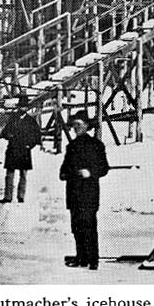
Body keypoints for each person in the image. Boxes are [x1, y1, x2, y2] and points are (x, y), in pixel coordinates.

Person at [59, 111, 109, 270]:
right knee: (76, 227)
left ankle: (93, 259)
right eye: (74, 125)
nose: (76, 128)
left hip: (88, 193)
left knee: (89, 226)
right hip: (74, 193)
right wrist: (65, 174)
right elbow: (64, 169)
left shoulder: (96, 145)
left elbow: (104, 168)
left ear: (87, 126)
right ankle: (81, 257)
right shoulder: (71, 146)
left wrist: (90, 173)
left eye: (79, 125)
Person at [0, 94, 42, 203]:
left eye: (24, 107)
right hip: (13, 149)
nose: (22, 109)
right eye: (21, 106)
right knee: (9, 175)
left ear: (27, 108)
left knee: (23, 175)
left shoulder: (31, 121)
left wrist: (29, 145)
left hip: (24, 150)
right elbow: (4, 132)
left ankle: (21, 196)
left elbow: (37, 136)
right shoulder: (12, 119)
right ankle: (8, 197)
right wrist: (8, 135)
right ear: (18, 107)